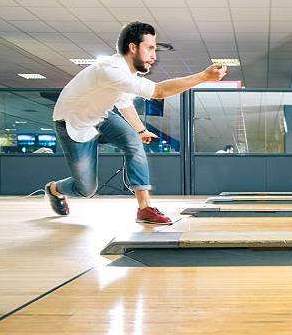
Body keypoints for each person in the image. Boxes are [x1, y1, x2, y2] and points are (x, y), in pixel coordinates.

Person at [45, 21, 227, 224]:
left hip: (102, 116)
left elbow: (124, 104)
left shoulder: (125, 73)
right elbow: (159, 91)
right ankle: (53, 189)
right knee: (86, 189)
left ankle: (145, 208)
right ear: (133, 47)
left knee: (133, 141)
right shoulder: (110, 70)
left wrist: (140, 130)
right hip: (72, 123)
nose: (154, 56)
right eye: (150, 48)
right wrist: (203, 76)